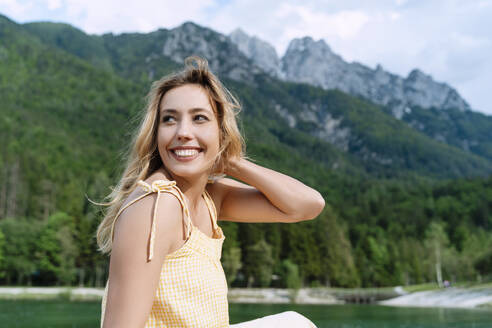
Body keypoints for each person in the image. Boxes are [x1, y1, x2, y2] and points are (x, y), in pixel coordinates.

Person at [95, 56, 324, 328]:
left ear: (221, 132)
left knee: (294, 324)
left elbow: (308, 205)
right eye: (169, 119)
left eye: (199, 118)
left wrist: (233, 161)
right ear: (156, 134)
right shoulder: (155, 204)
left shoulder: (210, 197)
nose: (182, 132)